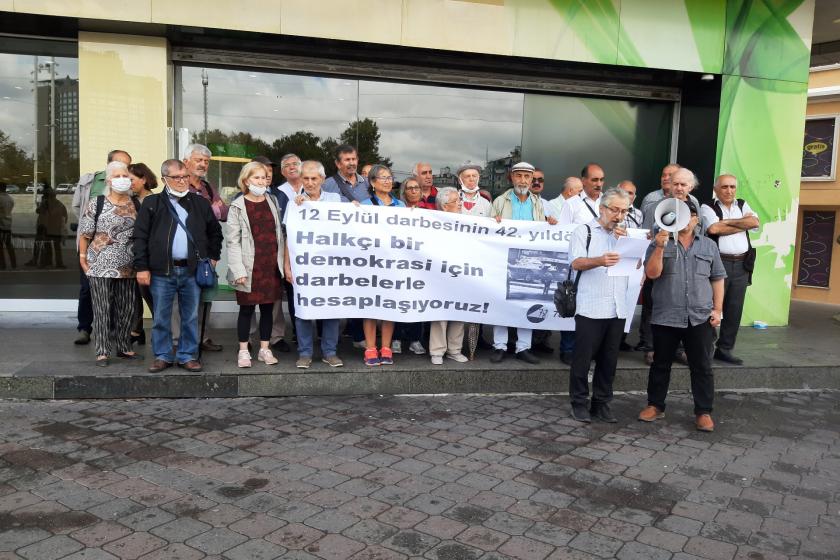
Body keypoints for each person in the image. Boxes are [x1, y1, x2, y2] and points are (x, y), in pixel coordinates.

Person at [639, 197, 725, 432]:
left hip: (699, 316)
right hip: (666, 315)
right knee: (660, 364)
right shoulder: (660, 242)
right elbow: (652, 274)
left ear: (696, 219)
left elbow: (717, 279)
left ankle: (703, 411)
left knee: (702, 366)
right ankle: (655, 405)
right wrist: (658, 246)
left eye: (688, 214)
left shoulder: (708, 246)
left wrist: (718, 310)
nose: (683, 219)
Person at [133, 159, 223, 373]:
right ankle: (163, 355)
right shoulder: (152, 203)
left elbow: (215, 233)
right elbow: (140, 237)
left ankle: (187, 355)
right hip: (161, 271)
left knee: (190, 316)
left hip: (192, 271)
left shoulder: (199, 203)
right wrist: (142, 267)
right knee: (162, 317)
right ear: (165, 178)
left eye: (185, 176)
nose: (183, 181)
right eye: (177, 177)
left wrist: (212, 257)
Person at [568, 188, 631, 423]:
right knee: (583, 359)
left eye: (624, 211)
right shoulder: (583, 231)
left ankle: (602, 403)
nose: (619, 216)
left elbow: (635, 266)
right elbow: (576, 262)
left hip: (618, 306)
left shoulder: (624, 235)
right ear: (602, 208)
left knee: (609, 360)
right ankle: (579, 403)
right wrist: (599, 260)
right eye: (615, 210)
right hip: (591, 306)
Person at [283, 160, 345, 369]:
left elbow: (353, 225)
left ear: (322, 179)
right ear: (300, 179)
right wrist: (287, 265)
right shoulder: (295, 204)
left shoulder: (336, 200)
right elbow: (288, 237)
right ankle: (305, 353)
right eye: (306, 179)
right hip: (304, 266)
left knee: (331, 310)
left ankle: (330, 352)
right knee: (303, 310)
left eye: (314, 178)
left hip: (331, 266)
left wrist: (355, 209)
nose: (310, 183)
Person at [77, 161, 140, 367]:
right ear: (109, 180)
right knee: (103, 309)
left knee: (127, 309)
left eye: (126, 176)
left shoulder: (136, 204)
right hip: (99, 265)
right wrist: (83, 260)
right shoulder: (98, 202)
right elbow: (85, 234)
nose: (123, 179)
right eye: (118, 176)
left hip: (128, 267)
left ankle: (123, 346)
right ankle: (102, 351)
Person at [489, 161, 548, 365]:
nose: (522, 180)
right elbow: (488, 231)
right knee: (501, 300)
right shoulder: (500, 201)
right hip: (503, 259)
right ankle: (500, 346)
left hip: (529, 260)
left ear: (532, 180)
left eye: (527, 176)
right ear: (512, 178)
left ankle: (523, 347)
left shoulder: (539, 203)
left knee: (526, 300)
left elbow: (543, 230)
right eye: (519, 175)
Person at [227, 162, 284, 368]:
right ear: (246, 181)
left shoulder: (273, 200)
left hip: (270, 266)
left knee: (268, 309)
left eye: (263, 177)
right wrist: (238, 270)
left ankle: (264, 349)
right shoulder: (237, 206)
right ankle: (243, 351)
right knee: (246, 310)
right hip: (248, 267)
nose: (261, 181)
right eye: (256, 178)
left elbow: (279, 234)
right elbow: (233, 241)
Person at [71, 150, 132, 346]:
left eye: (127, 168)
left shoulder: (132, 195)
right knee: (88, 290)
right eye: (118, 166)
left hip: (123, 257)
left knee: (119, 298)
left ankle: (114, 334)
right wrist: (84, 254)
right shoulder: (90, 181)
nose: (122, 174)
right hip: (94, 251)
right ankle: (84, 328)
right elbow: (78, 210)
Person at [701, 174, 759, 365]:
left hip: (742, 264)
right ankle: (706, 348)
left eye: (733, 187)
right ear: (716, 189)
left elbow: (754, 223)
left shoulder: (743, 204)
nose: (729, 191)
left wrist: (726, 222)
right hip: (718, 263)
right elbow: (714, 229)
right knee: (711, 307)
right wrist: (741, 223)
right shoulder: (707, 206)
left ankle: (724, 349)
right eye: (725, 187)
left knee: (734, 309)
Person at [183, 143, 227, 353]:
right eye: (198, 160)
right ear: (186, 161)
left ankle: (203, 337)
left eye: (206, 161)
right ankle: (183, 341)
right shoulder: (179, 185)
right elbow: (189, 216)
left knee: (205, 296)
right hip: (184, 252)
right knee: (182, 300)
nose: (203, 164)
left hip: (207, 253)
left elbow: (223, 211)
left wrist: (211, 210)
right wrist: (211, 210)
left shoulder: (208, 188)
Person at [359, 164, 405, 366]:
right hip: (371, 263)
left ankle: (386, 347)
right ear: (372, 182)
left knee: (389, 306)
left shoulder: (401, 206)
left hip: (393, 263)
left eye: (390, 177)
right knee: (370, 306)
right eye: (383, 177)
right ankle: (370, 348)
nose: (388, 181)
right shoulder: (364, 205)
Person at [428, 187, 469, 365]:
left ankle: (454, 350)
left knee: (459, 311)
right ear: (445, 206)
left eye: (460, 200)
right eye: (456, 201)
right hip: (440, 274)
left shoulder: (469, 222)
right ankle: (437, 351)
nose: (460, 203)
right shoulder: (433, 222)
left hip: (462, 273)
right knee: (440, 313)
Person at [393, 175, 428, 355]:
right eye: (410, 188)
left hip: (421, 264)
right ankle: (396, 338)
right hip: (399, 262)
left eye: (417, 188)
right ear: (404, 192)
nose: (414, 191)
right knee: (399, 300)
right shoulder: (396, 210)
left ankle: (415, 339)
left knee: (417, 301)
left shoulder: (431, 211)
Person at [128, 163, 158, 345]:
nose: (128, 183)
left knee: (151, 296)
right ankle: (136, 330)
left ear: (144, 179)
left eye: (131, 179)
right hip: (130, 256)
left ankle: (162, 334)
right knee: (133, 296)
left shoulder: (154, 201)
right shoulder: (128, 200)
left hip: (148, 257)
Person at [34, 186, 67, 269]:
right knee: (57, 247)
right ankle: (59, 263)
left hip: (47, 228)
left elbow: (38, 211)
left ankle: (45, 262)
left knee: (46, 246)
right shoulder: (60, 204)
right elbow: (64, 217)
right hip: (56, 229)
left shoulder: (46, 204)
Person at [0, 182, 15, 270]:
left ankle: (3, 264)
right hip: (8, 224)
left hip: (0, 224)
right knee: (9, 245)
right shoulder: (10, 198)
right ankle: (14, 263)